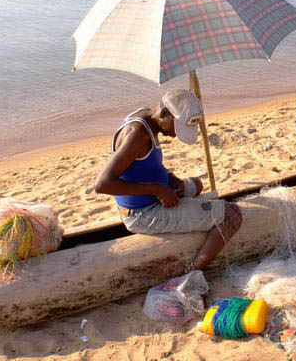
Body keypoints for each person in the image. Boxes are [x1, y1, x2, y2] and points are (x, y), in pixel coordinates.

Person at [95, 88, 242, 270]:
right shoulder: (137, 134)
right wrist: (158, 189)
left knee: (197, 184)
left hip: (157, 194)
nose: (174, 135)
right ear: (164, 113)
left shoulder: (147, 116)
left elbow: (144, 165)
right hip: (143, 213)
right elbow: (103, 184)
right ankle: (196, 270)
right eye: (176, 129)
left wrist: (170, 178)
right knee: (232, 215)